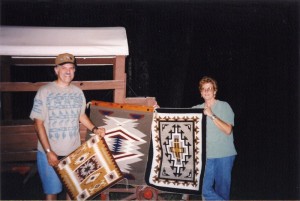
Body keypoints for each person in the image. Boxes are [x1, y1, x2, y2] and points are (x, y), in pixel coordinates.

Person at [30, 53, 106, 200]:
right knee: (52, 192)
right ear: (56, 70)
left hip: (74, 153)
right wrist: (48, 151)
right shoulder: (44, 91)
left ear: (74, 71)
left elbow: (81, 116)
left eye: (71, 68)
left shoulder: (78, 92)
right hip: (50, 153)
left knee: (73, 192)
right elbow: (38, 123)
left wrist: (95, 129)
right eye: (63, 67)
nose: (68, 71)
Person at [192, 76, 237, 200]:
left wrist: (211, 115)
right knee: (204, 190)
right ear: (201, 93)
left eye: (209, 89)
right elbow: (178, 118)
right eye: (203, 89)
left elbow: (228, 130)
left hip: (224, 155)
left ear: (214, 91)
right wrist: (158, 110)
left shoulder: (224, 106)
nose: (206, 91)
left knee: (222, 192)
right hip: (205, 157)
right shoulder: (196, 109)